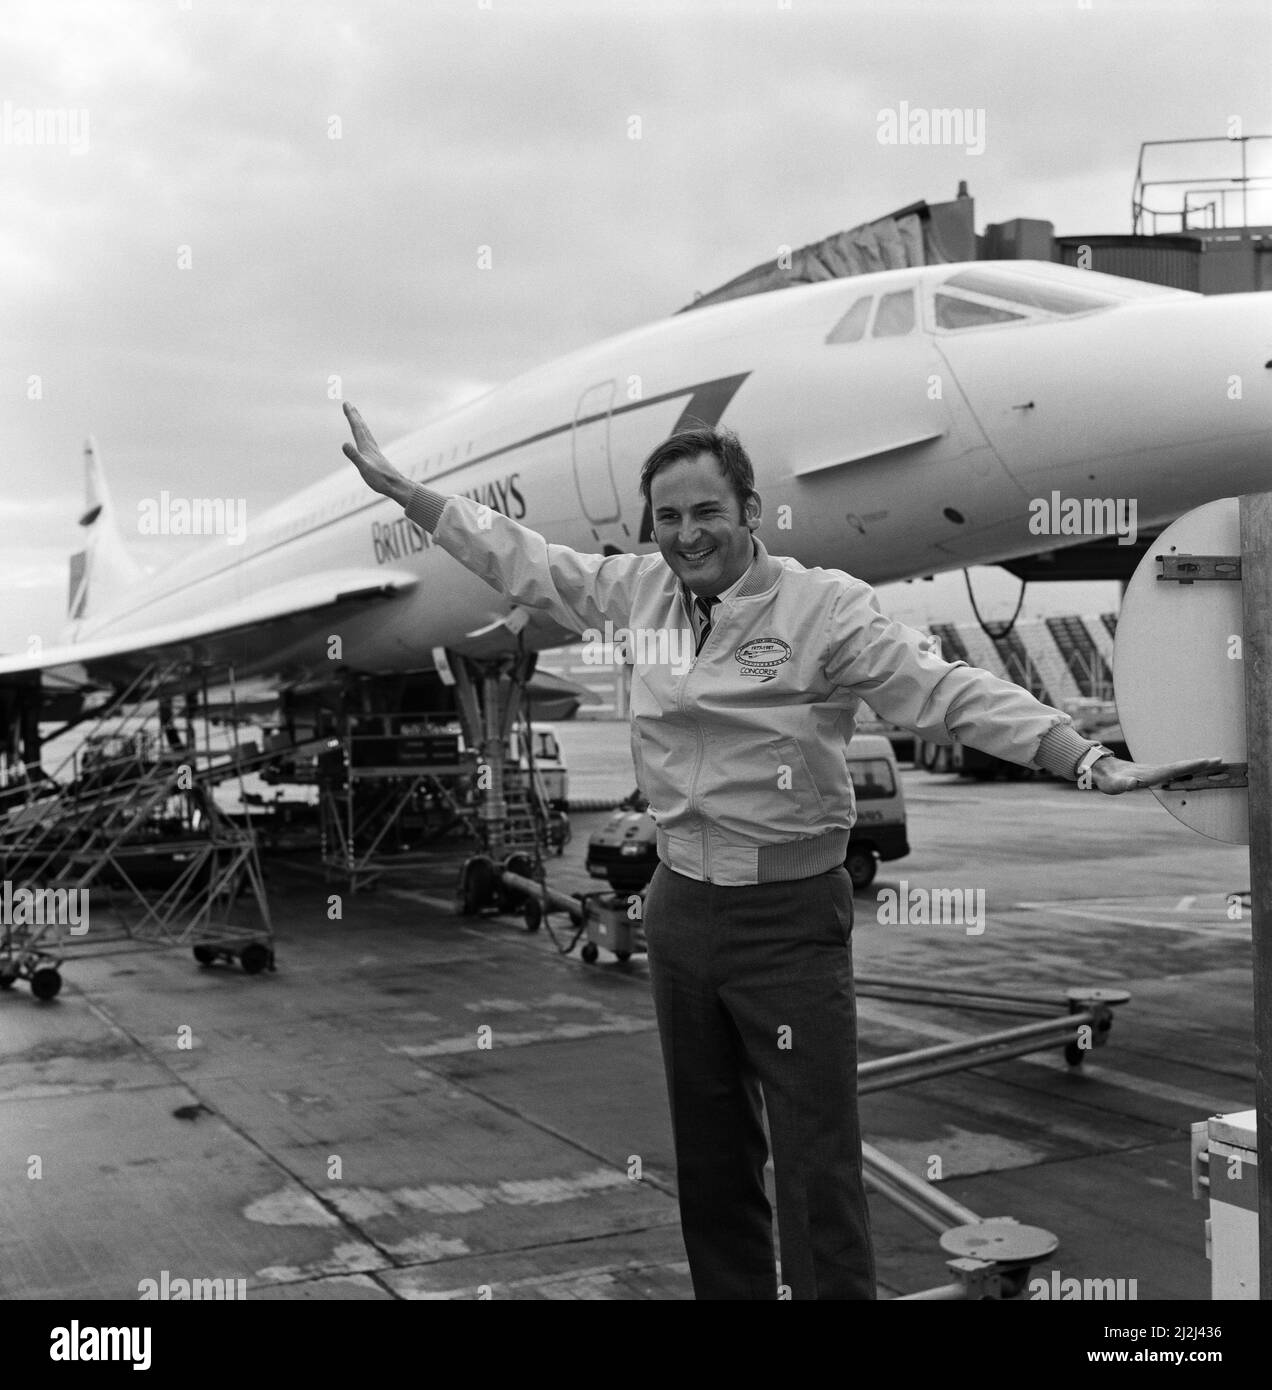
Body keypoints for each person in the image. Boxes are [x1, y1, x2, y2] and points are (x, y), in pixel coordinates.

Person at [341, 402, 1223, 1300]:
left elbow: (942, 691)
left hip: (789, 915)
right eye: (670, 518)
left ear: (750, 512)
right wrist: (414, 497)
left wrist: (1081, 756)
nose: (688, 535)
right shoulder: (637, 592)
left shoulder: (822, 609)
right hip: (679, 907)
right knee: (712, 1152)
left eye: (707, 513)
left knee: (816, 1162)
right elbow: (522, 558)